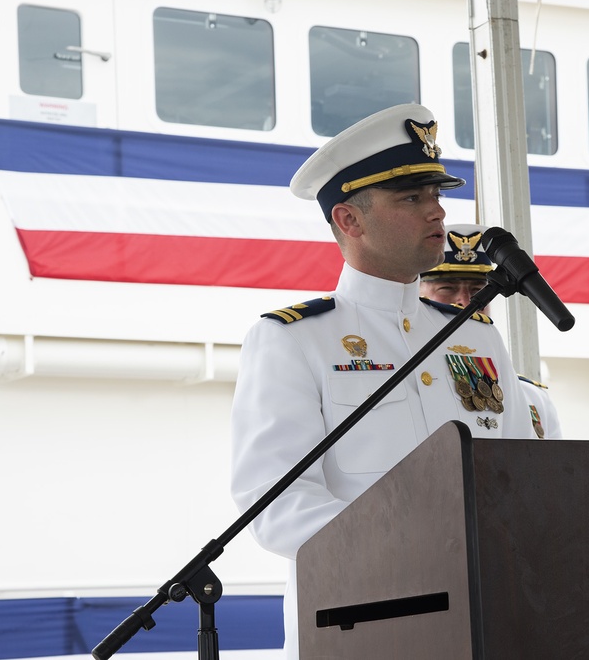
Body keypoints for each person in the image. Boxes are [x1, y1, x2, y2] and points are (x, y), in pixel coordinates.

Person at [230, 104, 538, 659]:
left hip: (487, 621)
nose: (437, 212)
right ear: (350, 220)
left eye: (436, 196)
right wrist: (412, 552)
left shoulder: (476, 336)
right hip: (361, 623)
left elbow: (518, 475)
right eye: (412, 199)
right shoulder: (295, 339)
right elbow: (274, 503)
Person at [420, 223, 563, 440]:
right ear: (417, 292)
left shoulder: (533, 398)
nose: (464, 301)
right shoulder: (409, 380)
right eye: (447, 288)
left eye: (478, 291)